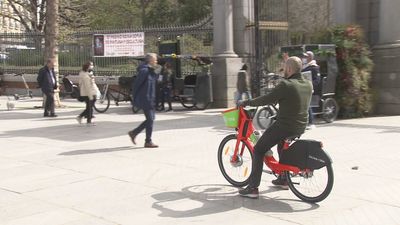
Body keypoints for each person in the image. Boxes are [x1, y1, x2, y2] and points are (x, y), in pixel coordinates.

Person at [238, 56, 312, 199]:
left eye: (284, 67)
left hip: (285, 126)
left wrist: (247, 102)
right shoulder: (308, 84)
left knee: (259, 149)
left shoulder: (286, 84)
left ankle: (253, 188)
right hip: (301, 126)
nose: (283, 69)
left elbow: (267, 99)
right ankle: (284, 179)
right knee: (281, 145)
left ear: (289, 69)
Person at [128, 53, 159, 148]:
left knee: (151, 119)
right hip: (145, 98)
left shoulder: (151, 70)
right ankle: (147, 141)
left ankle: (134, 133)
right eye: (155, 60)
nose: (156, 61)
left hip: (151, 98)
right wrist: (134, 97)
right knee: (150, 119)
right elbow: (136, 85)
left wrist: (156, 71)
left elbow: (156, 81)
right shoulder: (144, 71)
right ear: (150, 60)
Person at [301, 51, 321, 130]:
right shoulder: (304, 67)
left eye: (307, 57)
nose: (305, 58)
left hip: (310, 88)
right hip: (303, 87)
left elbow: (317, 80)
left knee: (307, 105)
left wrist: (310, 85)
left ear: (311, 57)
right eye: (304, 57)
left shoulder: (314, 67)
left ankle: (311, 123)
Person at [76, 61, 99, 125]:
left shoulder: (88, 73)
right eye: (91, 65)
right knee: (89, 107)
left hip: (91, 92)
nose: (92, 66)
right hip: (87, 93)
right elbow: (87, 86)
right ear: (88, 66)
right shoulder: (84, 75)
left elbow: (92, 83)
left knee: (89, 107)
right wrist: (90, 95)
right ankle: (81, 117)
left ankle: (88, 119)